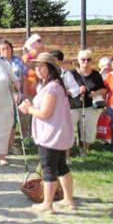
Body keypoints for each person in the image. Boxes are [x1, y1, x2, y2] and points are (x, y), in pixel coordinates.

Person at [18, 52, 75, 213]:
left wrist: (29, 109)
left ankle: (48, 204)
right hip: (57, 133)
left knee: (49, 168)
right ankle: (68, 200)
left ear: (50, 68)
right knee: (61, 167)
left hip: (50, 135)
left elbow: (45, 113)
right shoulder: (53, 85)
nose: (37, 69)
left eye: (41, 66)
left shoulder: (52, 88)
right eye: (36, 66)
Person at [70, 50, 107, 156]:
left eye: (88, 59)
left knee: (89, 129)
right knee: (69, 128)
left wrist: (95, 93)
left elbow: (103, 90)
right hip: (73, 106)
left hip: (90, 106)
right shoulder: (72, 74)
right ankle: (68, 151)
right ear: (78, 60)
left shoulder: (95, 74)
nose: (86, 62)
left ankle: (84, 150)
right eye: (83, 59)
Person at [0, 40, 26, 154]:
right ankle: (0, 146)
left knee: (13, 121)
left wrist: (19, 92)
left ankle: (11, 144)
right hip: (0, 95)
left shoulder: (17, 61)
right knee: (0, 121)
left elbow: (22, 77)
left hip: (14, 94)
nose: (5, 51)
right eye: (2, 49)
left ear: (11, 49)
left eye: (7, 48)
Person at [21, 34, 44, 138]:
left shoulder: (43, 56)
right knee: (26, 115)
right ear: (32, 43)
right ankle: (26, 137)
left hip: (40, 90)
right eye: (38, 41)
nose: (41, 42)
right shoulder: (27, 57)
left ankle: (36, 135)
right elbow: (25, 72)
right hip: (28, 88)